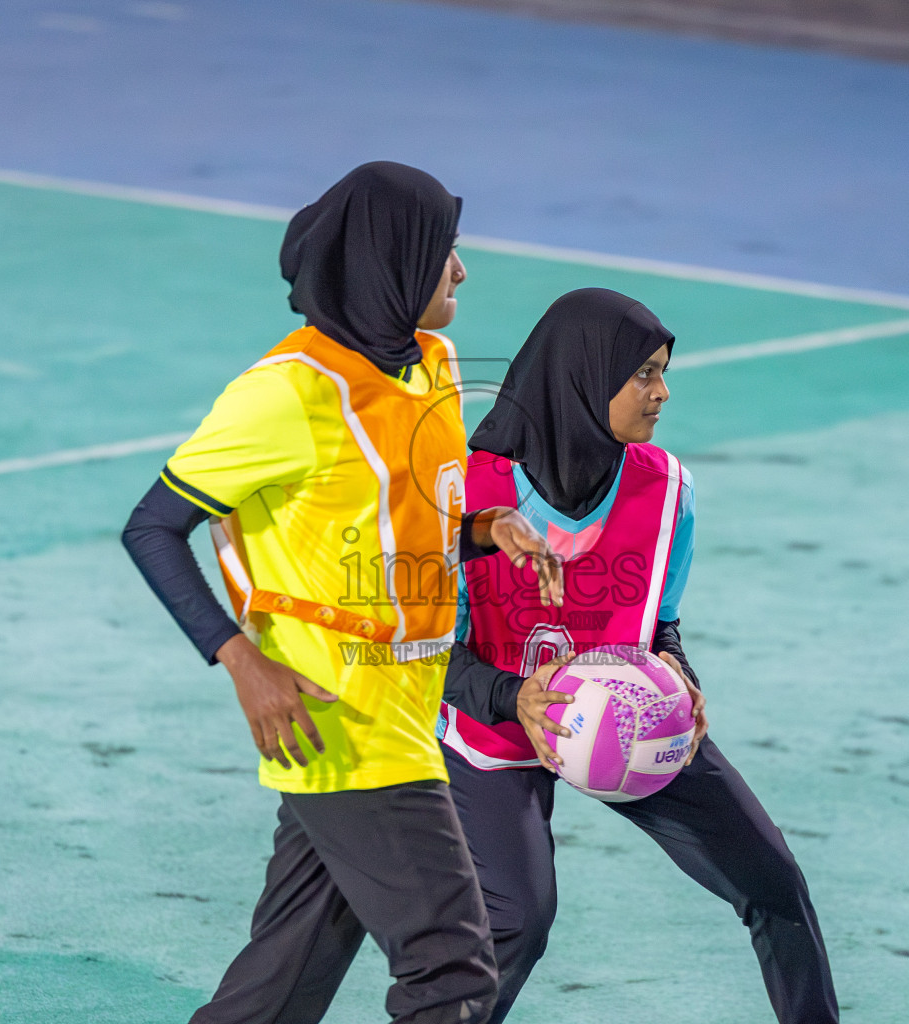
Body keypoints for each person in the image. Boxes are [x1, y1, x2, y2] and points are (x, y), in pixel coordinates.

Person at [121, 162, 561, 1024]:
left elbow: (405, 511)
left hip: (407, 703)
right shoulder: (284, 395)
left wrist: (487, 525)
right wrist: (240, 659)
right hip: (335, 711)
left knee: (282, 984)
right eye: (445, 251)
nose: (461, 271)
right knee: (453, 970)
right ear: (392, 263)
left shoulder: (425, 364)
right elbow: (151, 528)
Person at [438, 288, 841, 1023]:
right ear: (586, 378)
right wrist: (512, 697)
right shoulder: (471, 492)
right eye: (644, 375)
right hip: (491, 731)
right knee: (516, 921)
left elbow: (659, 622)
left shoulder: (667, 490)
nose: (662, 392)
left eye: (662, 371)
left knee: (775, 883)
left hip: (629, 719)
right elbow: (426, 649)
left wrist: (679, 678)